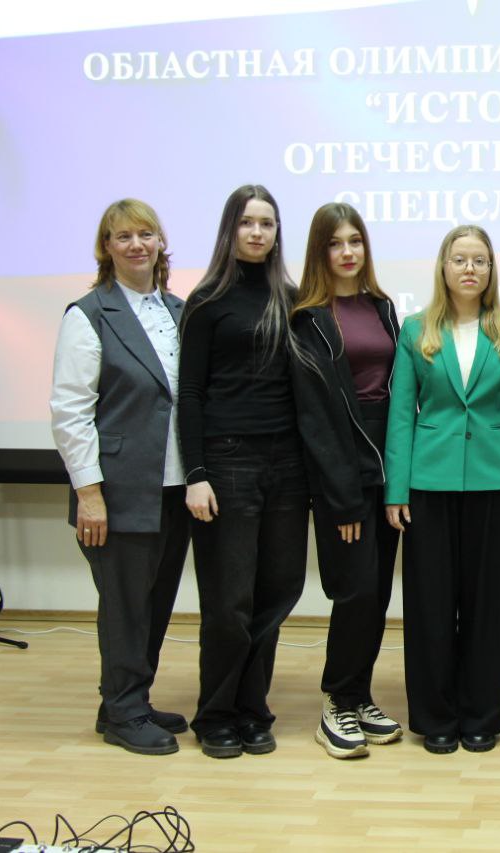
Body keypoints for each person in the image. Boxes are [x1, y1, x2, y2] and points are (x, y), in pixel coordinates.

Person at [384, 224, 500, 755]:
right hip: (427, 483)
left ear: (492, 270)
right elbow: (401, 415)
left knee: (487, 606)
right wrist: (396, 490)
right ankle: (435, 717)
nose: (470, 268)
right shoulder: (416, 330)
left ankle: (481, 716)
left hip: (496, 484)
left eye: (480, 260)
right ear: (443, 267)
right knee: (429, 604)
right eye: (460, 259)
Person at [50, 199, 190, 756]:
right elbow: (70, 411)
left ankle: (128, 702)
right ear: (106, 248)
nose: (136, 245)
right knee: (125, 606)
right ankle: (124, 713)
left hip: (175, 487)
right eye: (123, 236)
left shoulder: (179, 311)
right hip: (117, 490)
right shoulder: (89, 314)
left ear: (160, 243)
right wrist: (89, 493)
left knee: (155, 603)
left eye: (145, 234)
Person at [178, 185, 309, 758]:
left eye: (267, 224)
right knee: (229, 601)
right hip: (227, 462)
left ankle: (253, 709)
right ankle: (215, 714)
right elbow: (190, 393)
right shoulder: (206, 300)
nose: (257, 232)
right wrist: (196, 473)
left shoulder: (292, 299)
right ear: (230, 229)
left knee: (278, 590)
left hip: (287, 464)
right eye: (247, 222)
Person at [290, 203, 402, 760]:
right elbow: (313, 417)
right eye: (335, 243)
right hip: (342, 476)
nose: (348, 252)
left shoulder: (382, 307)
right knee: (353, 589)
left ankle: (359, 694)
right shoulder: (306, 317)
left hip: (389, 470)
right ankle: (336, 699)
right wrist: (341, 497)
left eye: (355, 240)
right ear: (320, 251)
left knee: (377, 592)